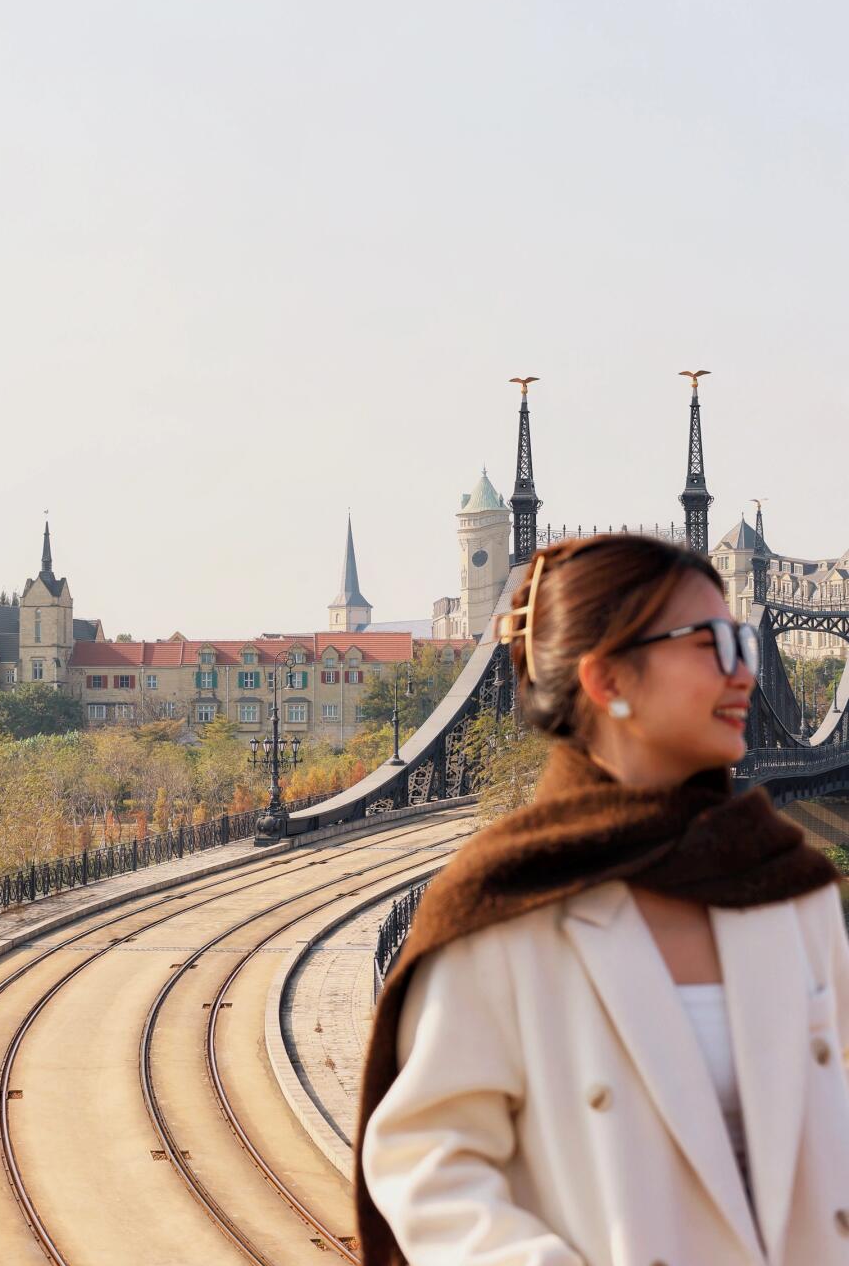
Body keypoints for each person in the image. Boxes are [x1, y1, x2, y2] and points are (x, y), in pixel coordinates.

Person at [356, 534, 849, 1266]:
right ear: (608, 679)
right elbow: (427, 1166)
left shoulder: (792, 886)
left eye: (745, 639)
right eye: (712, 642)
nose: (746, 671)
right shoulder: (502, 905)